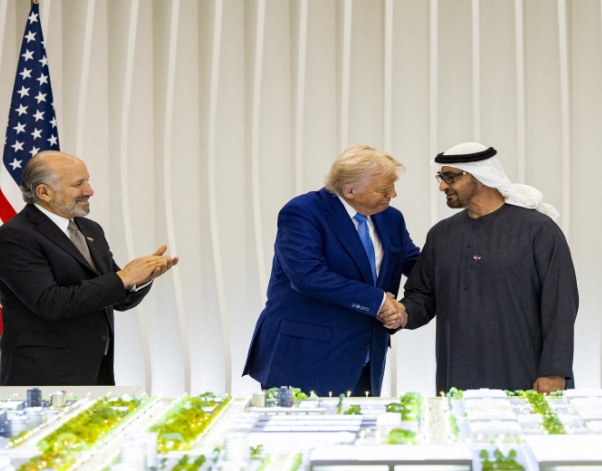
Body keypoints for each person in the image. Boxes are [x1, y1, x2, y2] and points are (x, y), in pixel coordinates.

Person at [399, 142, 578, 394]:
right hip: (457, 374)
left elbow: (560, 304)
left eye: (450, 178)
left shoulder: (538, 229)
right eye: (441, 178)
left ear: (479, 176)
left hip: (525, 374)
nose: (442, 186)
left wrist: (554, 371)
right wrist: (399, 312)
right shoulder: (442, 234)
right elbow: (423, 296)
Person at [242, 145, 420, 396]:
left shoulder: (391, 218)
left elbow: (413, 263)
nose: (393, 194)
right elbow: (307, 275)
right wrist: (378, 302)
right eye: (383, 189)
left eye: (392, 186)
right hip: (305, 357)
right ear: (349, 191)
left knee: (361, 422)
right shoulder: (303, 211)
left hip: (366, 357)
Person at [0, 151, 178, 386]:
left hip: (96, 371)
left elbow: (116, 297)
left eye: (87, 181)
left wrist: (140, 279)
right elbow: (49, 303)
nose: (89, 191)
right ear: (44, 192)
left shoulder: (90, 229)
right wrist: (123, 278)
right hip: (44, 377)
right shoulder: (15, 236)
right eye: (79, 184)